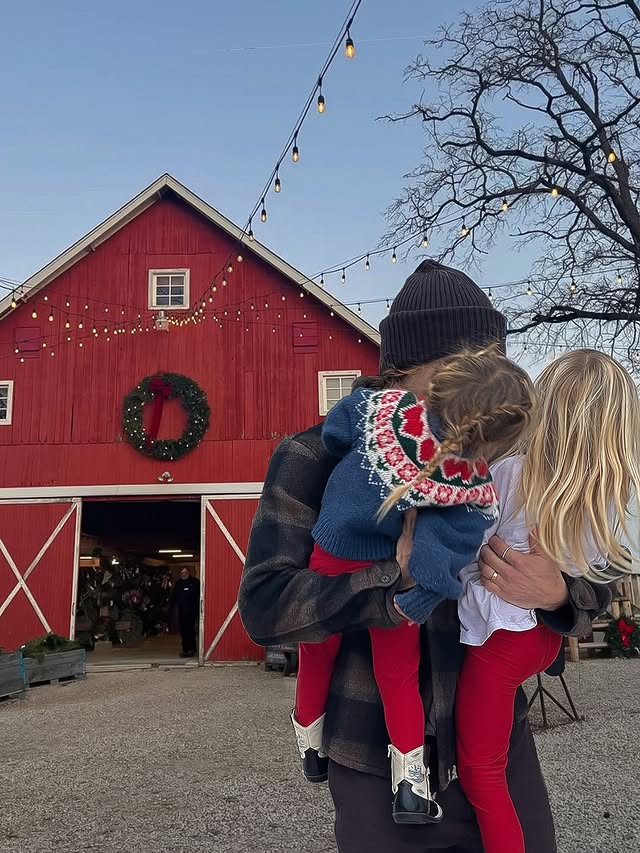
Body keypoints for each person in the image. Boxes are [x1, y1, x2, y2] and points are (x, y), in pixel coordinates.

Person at [238, 260, 611, 852]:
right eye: (464, 369)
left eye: (492, 366)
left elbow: (596, 580)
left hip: (496, 746)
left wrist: (558, 594)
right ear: (402, 369)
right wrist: (395, 580)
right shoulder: (314, 454)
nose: (481, 387)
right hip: (372, 761)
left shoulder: (497, 445)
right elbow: (264, 609)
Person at [292, 345, 534, 824]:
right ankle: (410, 788)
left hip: (329, 552)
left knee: (315, 652)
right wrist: (412, 603)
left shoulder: (382, 408)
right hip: (389, 580)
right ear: (492, 441)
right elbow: (433, 563)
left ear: (444, 382)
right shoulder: (469, 486)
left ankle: (310, 745)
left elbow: (337, 431)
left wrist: (352, 476)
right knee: (397, 677)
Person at [455, 349, 640, 853]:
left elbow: (464, 542)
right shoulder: (603, 496)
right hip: (541, 640)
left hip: (500, 641)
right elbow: (604, 569)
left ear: (547, 406)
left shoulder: (511, 474)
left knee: (480, 769)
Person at [170, 567, 200, 658]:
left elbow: (200, 595)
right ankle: (186, 649)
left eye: (185, 572)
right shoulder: (178, 584)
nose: (184, 574)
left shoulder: (195, 582)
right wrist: (169, 607)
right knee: (183, 631)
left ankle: (190, 649)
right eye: (182, 572)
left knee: (190, 630)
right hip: (182, 611)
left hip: (192, 611)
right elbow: (173, 597)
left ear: (188, 573)